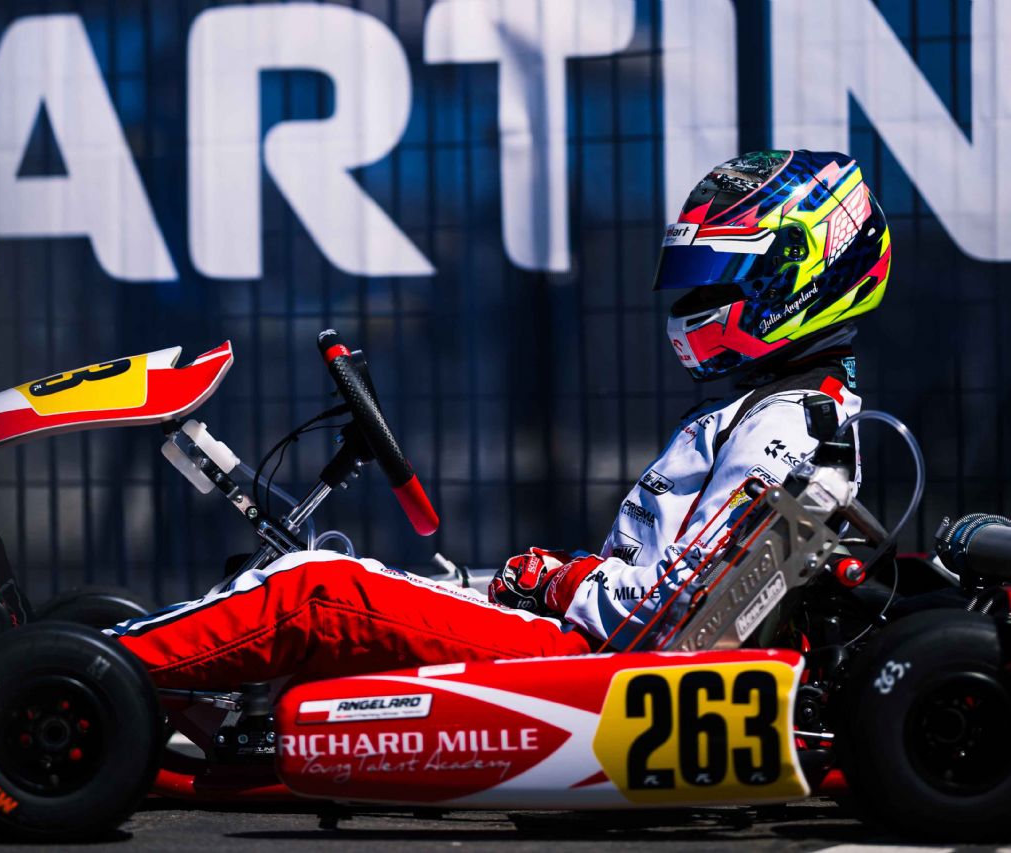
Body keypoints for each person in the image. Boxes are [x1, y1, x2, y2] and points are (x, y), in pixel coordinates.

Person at [109, 149, 891, 691]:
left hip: (596, 671)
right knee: (358, 577)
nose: (695, 301)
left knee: (315, 590)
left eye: (717, 279)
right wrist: (540, 581)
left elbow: (669, 617)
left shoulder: (784, 427)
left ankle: (94, 675)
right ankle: (129, 672)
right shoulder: (773, 408)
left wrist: (555, 578)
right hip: (587, 651)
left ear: (797, 277)